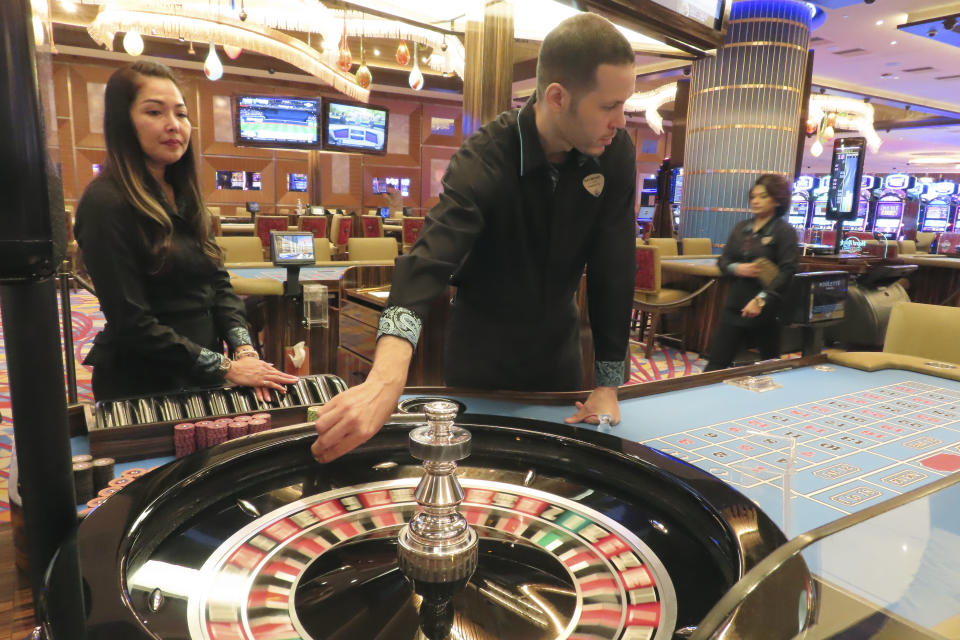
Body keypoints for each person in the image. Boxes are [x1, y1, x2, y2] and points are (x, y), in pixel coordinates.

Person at [312, 13, 638, 462]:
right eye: (609, 106)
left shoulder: (616, 152)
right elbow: (429, 259)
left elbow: (613, 264)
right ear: (558, 97)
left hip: (559, 351)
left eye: (625, 104)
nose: (621, 121)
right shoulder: (486, 155)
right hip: (481, 353)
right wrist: (386, 378)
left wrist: (607, 383)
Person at [75, 61, 297, 402]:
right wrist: (227, 368)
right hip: (143, 383)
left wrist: (245, 351)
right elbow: (132, 322)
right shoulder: (105, 201)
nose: (173, 126)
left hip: (202, 375)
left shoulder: (184, 195)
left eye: (181, 114)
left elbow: (218, 284)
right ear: (123, 121)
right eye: (154, 112)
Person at [703, 174, 800, 371]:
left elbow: (787, 271)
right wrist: (737, 268)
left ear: (777, 199)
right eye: (753, 196)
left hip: (767, 307)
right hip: (736, 302)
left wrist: (761, 300)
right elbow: (723, 261)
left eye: (763, 196)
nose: (755, 201)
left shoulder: (784, 231)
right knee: (716, 363)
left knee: (771, 365)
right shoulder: (741, 228)